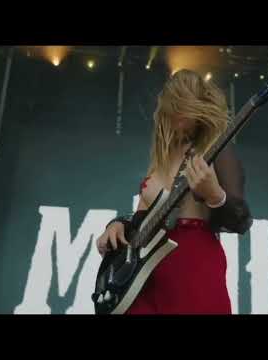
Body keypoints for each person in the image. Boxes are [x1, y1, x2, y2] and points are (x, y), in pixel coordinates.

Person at [96, 69, 252, 314]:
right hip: (145, 274)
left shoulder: (218, 152)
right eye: (175, 108)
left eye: (185, 108)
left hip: (192, 264)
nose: (179, 117)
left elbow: (242, 220)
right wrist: (117, 224)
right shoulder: (161, 158)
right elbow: (142, 219)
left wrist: (214, 195)